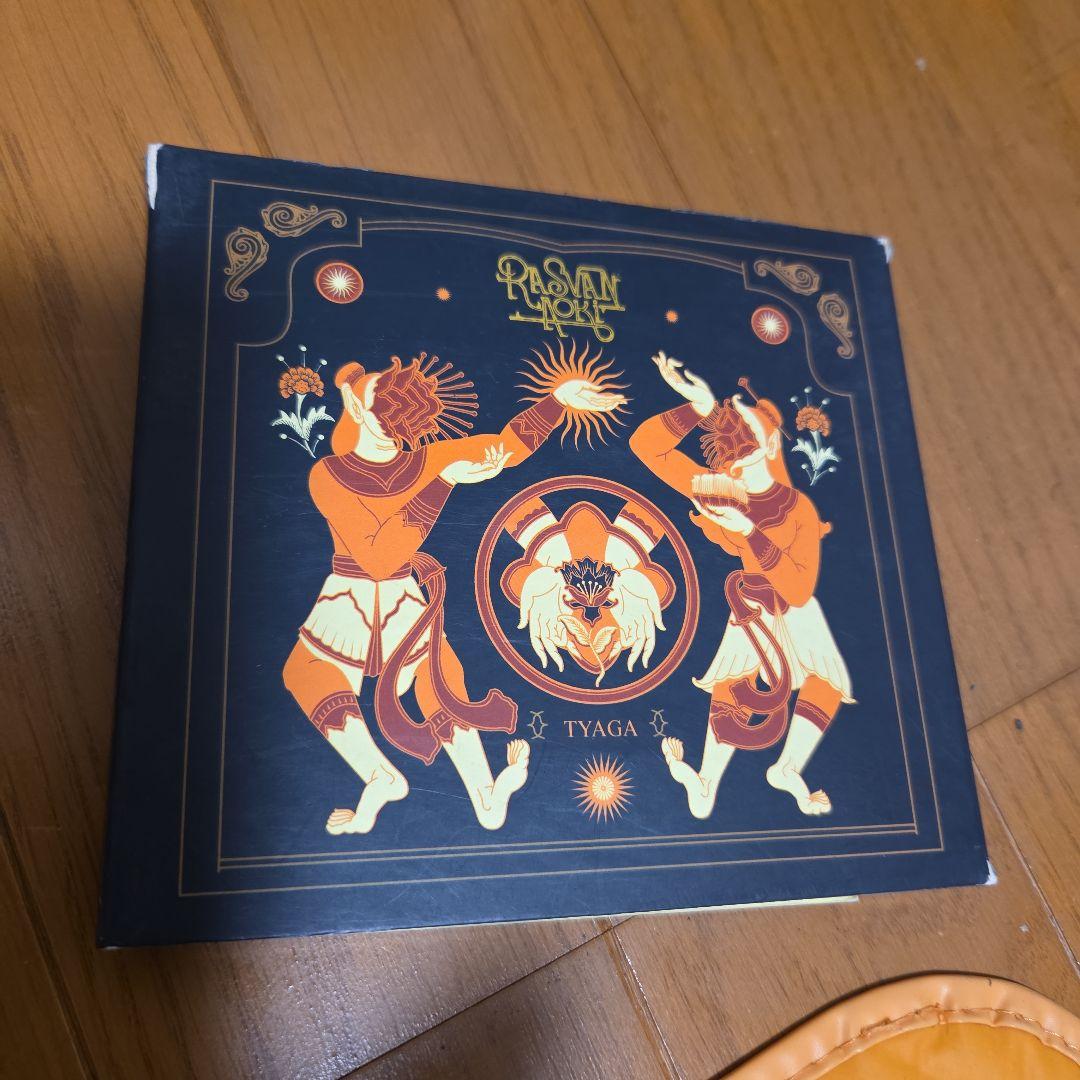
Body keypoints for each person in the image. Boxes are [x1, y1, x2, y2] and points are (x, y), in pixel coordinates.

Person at [283, 350, 626, 833]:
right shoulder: (331, 474)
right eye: (380, 393)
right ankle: (383, 775)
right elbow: (378, 555)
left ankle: (483, 796)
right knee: (311, 674)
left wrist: (556, 401)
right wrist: (442, 482)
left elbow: (504, 447)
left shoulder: (423, 460)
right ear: (356, 409)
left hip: (388, 597)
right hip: (358, 595)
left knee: (439, 682)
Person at [629, 352, 853, 818]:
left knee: (826, 682)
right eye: (735, 439)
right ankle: (707, 780)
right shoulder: (719, 491)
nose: (741, 449)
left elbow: (797, 590)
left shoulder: (797, 508)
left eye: (751, 434)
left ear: (771, 443)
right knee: (731, 682)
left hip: (793, 607)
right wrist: (697, 407)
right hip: (750, 604)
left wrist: (750, 531)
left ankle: (787, 768)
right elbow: (646, 446)